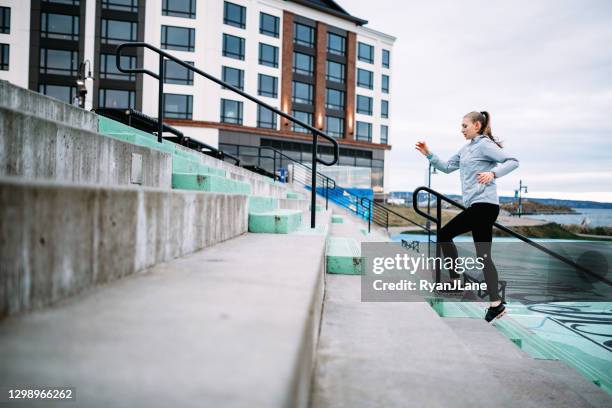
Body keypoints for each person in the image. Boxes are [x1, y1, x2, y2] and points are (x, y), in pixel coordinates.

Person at [415, 111, 519, 322]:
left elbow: (513, 161)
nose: (461, 129)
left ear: (477, 126)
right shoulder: (465, 149)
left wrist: (493, 174)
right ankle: (496, 304)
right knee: (483, 256)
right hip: (478, 206)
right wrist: (428, 153)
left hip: (485, 205)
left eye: (465, 126)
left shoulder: (484, 145)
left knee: (444, 234)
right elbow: (445, 168)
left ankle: (455, 281)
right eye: (461, 126)